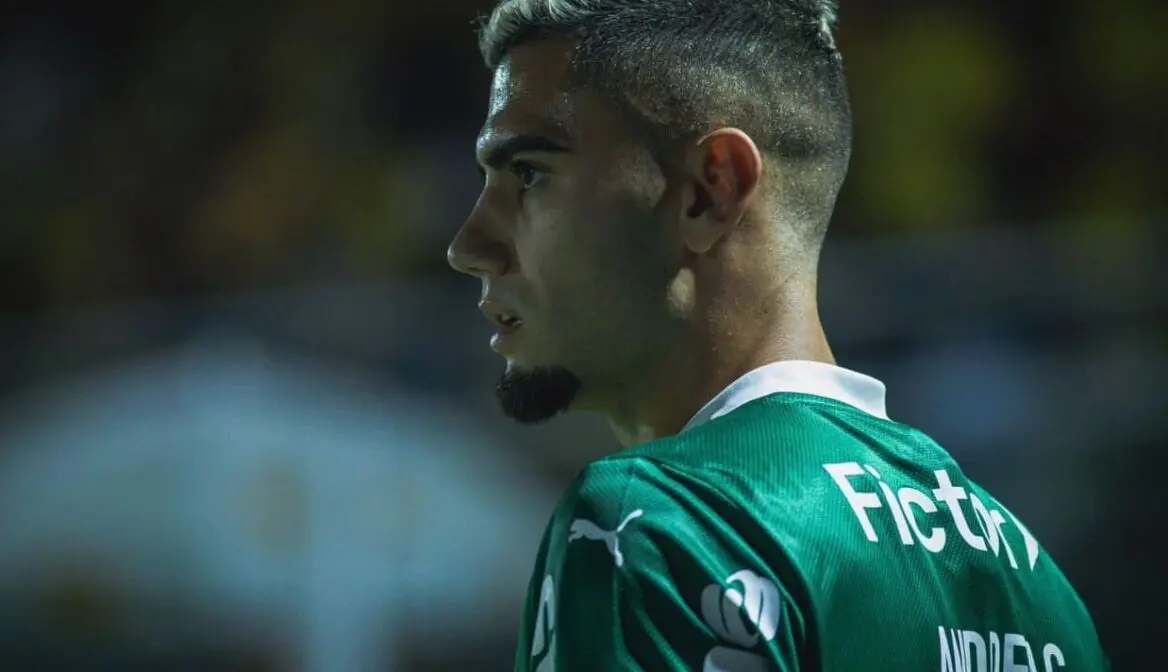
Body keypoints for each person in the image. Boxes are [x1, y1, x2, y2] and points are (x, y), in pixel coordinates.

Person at [446, 0, 1109, 669]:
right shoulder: (1043, 591)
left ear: (711, 191)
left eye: (529, 175)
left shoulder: (655, 525)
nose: (468, 246)